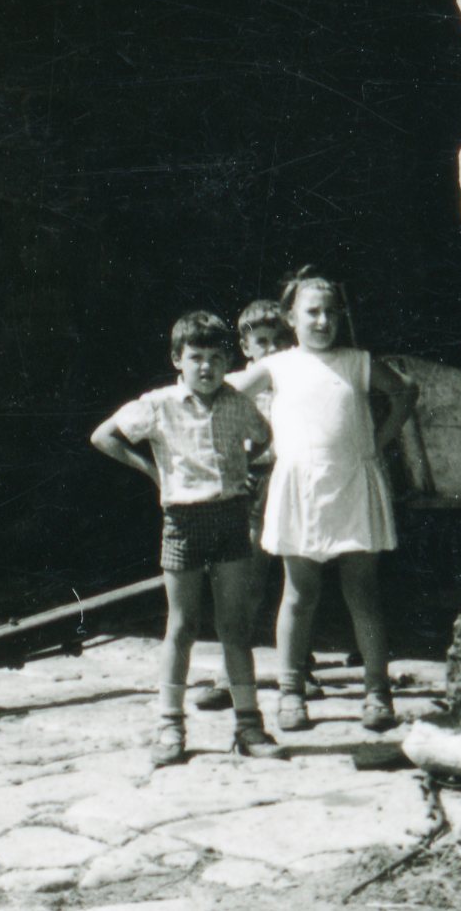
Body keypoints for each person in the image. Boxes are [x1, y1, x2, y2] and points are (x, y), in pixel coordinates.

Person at [91, 311, 284, 767]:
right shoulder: (159, 404)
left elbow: (263, 437)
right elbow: (104, 436)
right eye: (196, 357)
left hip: (230, 518)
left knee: (234, 626)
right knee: (182, 626)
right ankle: (170, 725)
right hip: (183, 521)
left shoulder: (237, 402)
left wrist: (244, 467)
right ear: (177, 359)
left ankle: (248, 725)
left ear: (227, 362)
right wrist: (152, 471)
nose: (206, 367)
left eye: (216, 358)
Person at [231, 269, 417, 734]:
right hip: (300, 487)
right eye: (312, 312)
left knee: (362, 591)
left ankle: (377, 691)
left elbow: (405, 391)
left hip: (353, 482)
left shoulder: (358, 361)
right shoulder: (277, 366)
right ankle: (291, 692)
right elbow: (224, 394)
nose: (322, 321)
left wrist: (377, 441)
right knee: (299, 594)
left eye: (331, 312)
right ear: (291, 318)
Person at [193, 298, 296, 712]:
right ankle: (228, 675)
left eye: (280, 341)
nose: (271, 350)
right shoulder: (234, 385)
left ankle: (297, 668)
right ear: (246, 346)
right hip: (253, 484)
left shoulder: (296, 379)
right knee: (247, 580)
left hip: (293, 481)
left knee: (298, 580)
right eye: (262, 342)